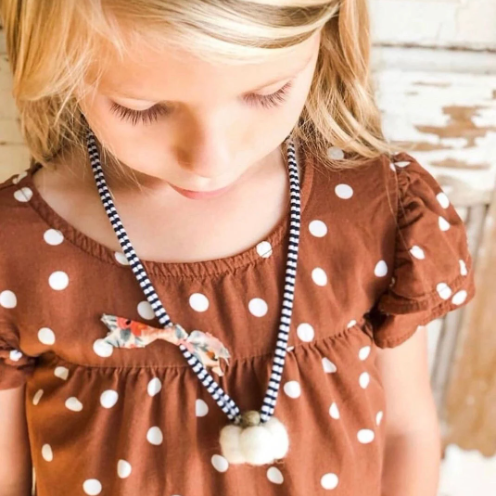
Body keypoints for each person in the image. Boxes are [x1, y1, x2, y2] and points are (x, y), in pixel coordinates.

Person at [0, 1, 476, 495]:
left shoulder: (375, 212)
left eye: (267, 93)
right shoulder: (15, 249)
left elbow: (406, 432)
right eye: (142, 108)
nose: (211, 159)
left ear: (326, 37)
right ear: (56, 59)